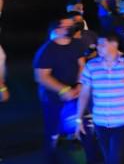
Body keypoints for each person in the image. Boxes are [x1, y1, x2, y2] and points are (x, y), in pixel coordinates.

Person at [76, 32, 124, 164]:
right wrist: (79, 119)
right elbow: (84, 94)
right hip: (100, 121)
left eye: (102, 44)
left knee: (115, 159)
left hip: (122, 121)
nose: (98, 48)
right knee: (108, 156)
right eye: (98, 45)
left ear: (114, 44)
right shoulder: (91, 66)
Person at [33, 17, 87, 162]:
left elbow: (82, 65)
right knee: (53, 131)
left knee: (75, 128)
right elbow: (42, 77)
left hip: (75, 94)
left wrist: (80, 84)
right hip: (53, 98)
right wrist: (64, 90)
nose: (71, 27)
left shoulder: (77, 44)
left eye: (72, 25)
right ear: (57, 30)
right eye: (67, 26)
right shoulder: (46, 51)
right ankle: (50, 156)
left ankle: (75, 150)